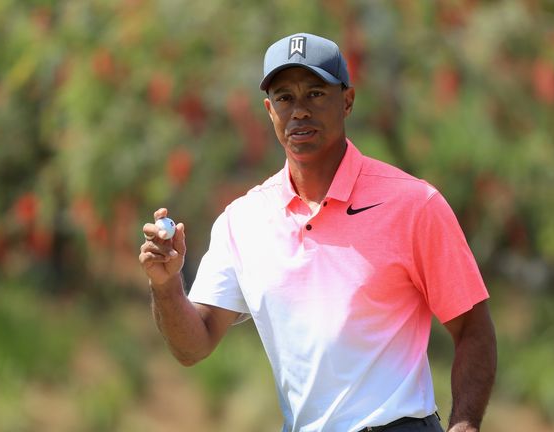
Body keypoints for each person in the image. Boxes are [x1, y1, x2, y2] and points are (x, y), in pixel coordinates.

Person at [139, 33, 496, 432]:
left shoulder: (414, 204)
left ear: (347, 101)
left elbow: (473, 328)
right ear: (268, 109)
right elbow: (193, 345)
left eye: (315, 94)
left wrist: (464, 426)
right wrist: (166, 285)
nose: (299, 111)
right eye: (285, 97)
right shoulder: (242, 221)